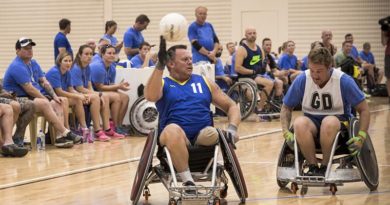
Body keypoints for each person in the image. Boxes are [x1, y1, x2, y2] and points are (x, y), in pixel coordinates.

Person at [144, 36, 240, 191]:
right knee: (172, 130)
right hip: (175, 137)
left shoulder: (204, 82)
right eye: (185, 59)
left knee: (218, 133)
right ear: (171, 64)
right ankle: (188, 181)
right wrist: (159, 66)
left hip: (203, 136)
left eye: (190, 58)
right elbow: (150, 96)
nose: (190, 62)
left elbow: (231, 106)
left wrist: (232, 129)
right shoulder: (163, 82)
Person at [281, 47, 370, 176]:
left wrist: (361, 136)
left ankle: (325, 166)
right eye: (312, 70)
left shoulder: (344, 81)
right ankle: (313, 166)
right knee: (299, 123)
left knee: (329, 122)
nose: (315, 75)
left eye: (319, 71)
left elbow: (364, 110)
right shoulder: (303, 79)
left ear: (329, 67)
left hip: (340, 128)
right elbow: (286, 107)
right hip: (312, 126)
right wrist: (285, 132)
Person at [3, 37, 82, 148]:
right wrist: (45, 99)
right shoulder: (17, 66)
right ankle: (66, 132)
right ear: (17, 50)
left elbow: (43, 81)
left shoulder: (33, 63)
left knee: (59, 101)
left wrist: (54, 96)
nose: (29, 50)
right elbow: (29, 89)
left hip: (32, 97)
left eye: (30, 48)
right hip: (18, 97)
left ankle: (60, 137)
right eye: (25, 48)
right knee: (44, 103)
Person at [71, 45, 125, 140]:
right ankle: (97, 130)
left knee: (104, 96)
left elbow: (89, 85)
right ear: (79, 55)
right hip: (75, 93)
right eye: (86, 54)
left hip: (83, 92)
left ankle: (108, 128)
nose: (89, 56)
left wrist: (96, 93)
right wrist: (97, 94)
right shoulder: (76, 68)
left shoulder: (87, 67)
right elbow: (79, 88)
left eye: (91, 54)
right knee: (98, 97)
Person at [235, 28, 282, 114]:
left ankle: (261, 108)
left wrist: (268, 72)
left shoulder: (260, 49)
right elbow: (237, 68)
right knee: (253, 90)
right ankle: (256, 107)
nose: (252, 35)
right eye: (249, 33)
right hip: (244, 77)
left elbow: (263, 64)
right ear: (245, 36)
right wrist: (251, 71)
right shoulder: (242, 49)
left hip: (256, 76)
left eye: (254, 33)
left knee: (271, 83)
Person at [90, 45, 130, 135]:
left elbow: (109, 84)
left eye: (113, 53)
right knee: (116, 97)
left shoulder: (112, 67)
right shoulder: (98, 67)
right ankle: (114, 126)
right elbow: (99, 87)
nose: (112, 55)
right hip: (93, 90)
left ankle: (119, 125)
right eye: (109, 53)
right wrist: (118, 86)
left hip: (103, 89)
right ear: (102, 54)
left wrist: (120, 85)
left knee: (125, 97)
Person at [381, 26, 390, 102]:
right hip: (388, 54)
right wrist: (383, 30)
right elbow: (384, 43)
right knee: (388, 77)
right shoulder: (388, 30)